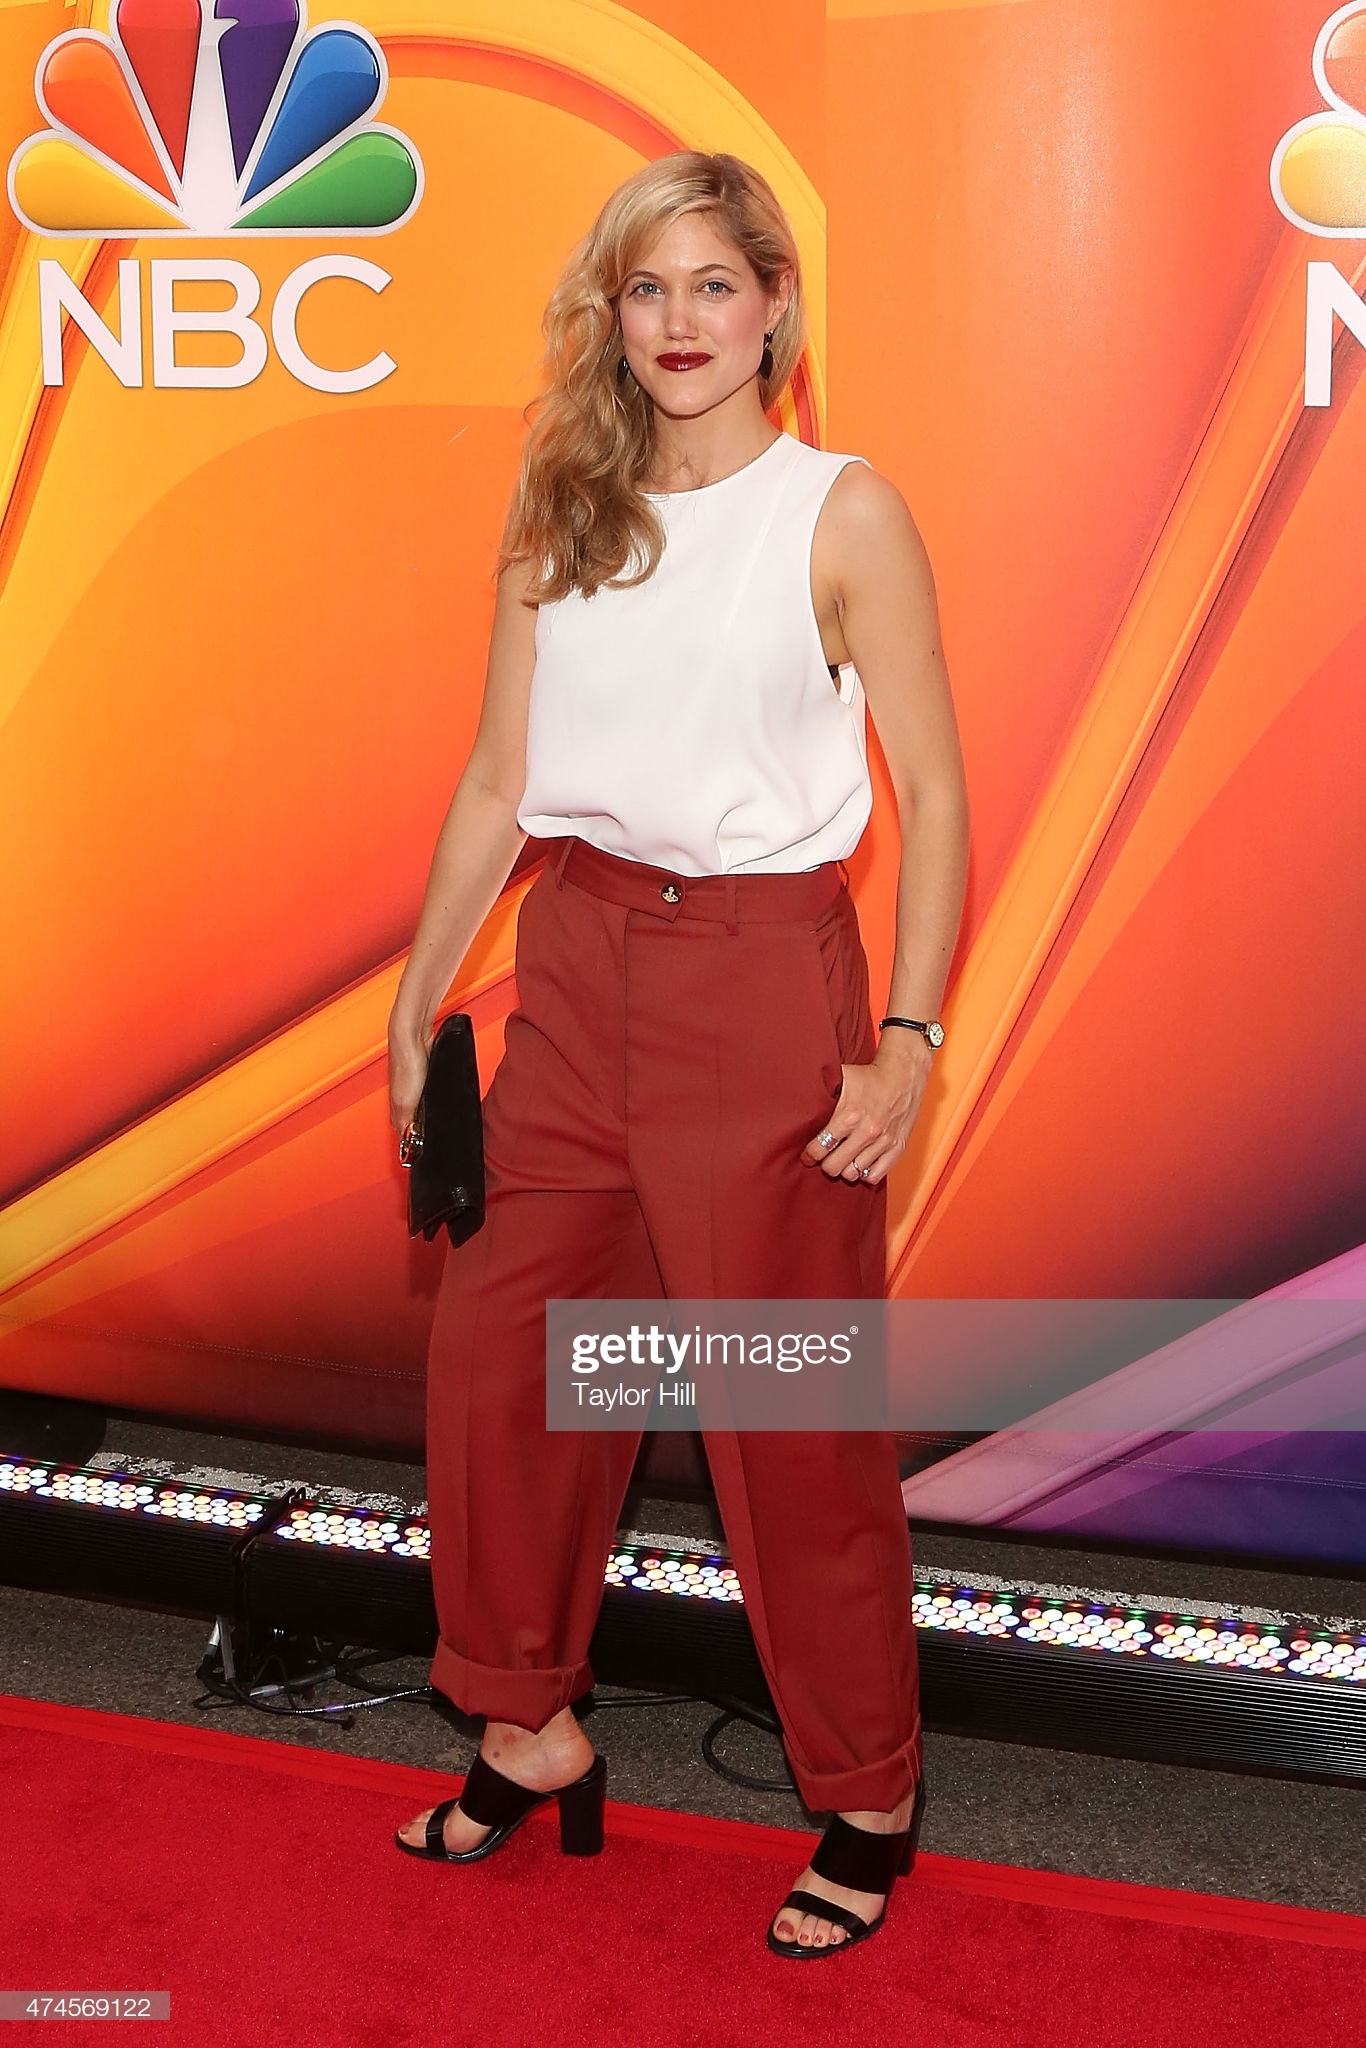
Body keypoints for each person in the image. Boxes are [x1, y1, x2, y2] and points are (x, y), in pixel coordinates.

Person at [387, 150, 969, 1958]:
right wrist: (416, 997)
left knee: (784, 1423)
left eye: (715, 283)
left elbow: (934, 791)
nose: (679, 321)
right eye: (647, 288)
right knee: (501, 1368)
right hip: (569, 974)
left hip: (762, 983)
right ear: (612, 314)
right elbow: (500, 777)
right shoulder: (559, 502)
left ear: (777, 306)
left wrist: (905, 1040)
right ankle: (526, 1723)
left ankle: (866, 1791)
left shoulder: (840, 514)